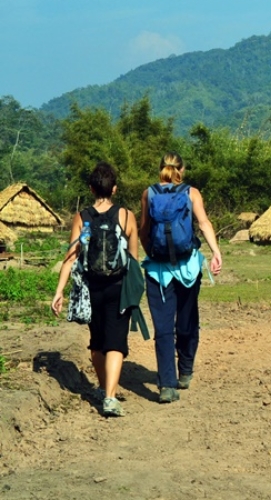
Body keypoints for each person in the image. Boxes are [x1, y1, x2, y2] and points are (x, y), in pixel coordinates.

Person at [51, 162, 138, 417]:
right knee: (116, 342)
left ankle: (102, 388)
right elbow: (133, 257)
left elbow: (70, 257)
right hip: (118, 287)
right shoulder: (126, 215)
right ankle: (110, 397)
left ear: (90, 188)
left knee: (97, 342)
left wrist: (59, 291)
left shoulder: (81, 217)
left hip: (91, 288)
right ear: (114, 188)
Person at [140, 152, 222, 404]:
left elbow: (144, 229)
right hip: (187, 268)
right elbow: (204, 223)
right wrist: (216, 252)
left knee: (163, 328)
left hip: (158, 271)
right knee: (187, 320)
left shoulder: (149, 193)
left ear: (160, 170)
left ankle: (167, 385)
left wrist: (151, 254)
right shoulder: (191, 192)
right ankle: (185, 370)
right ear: (181, 170)